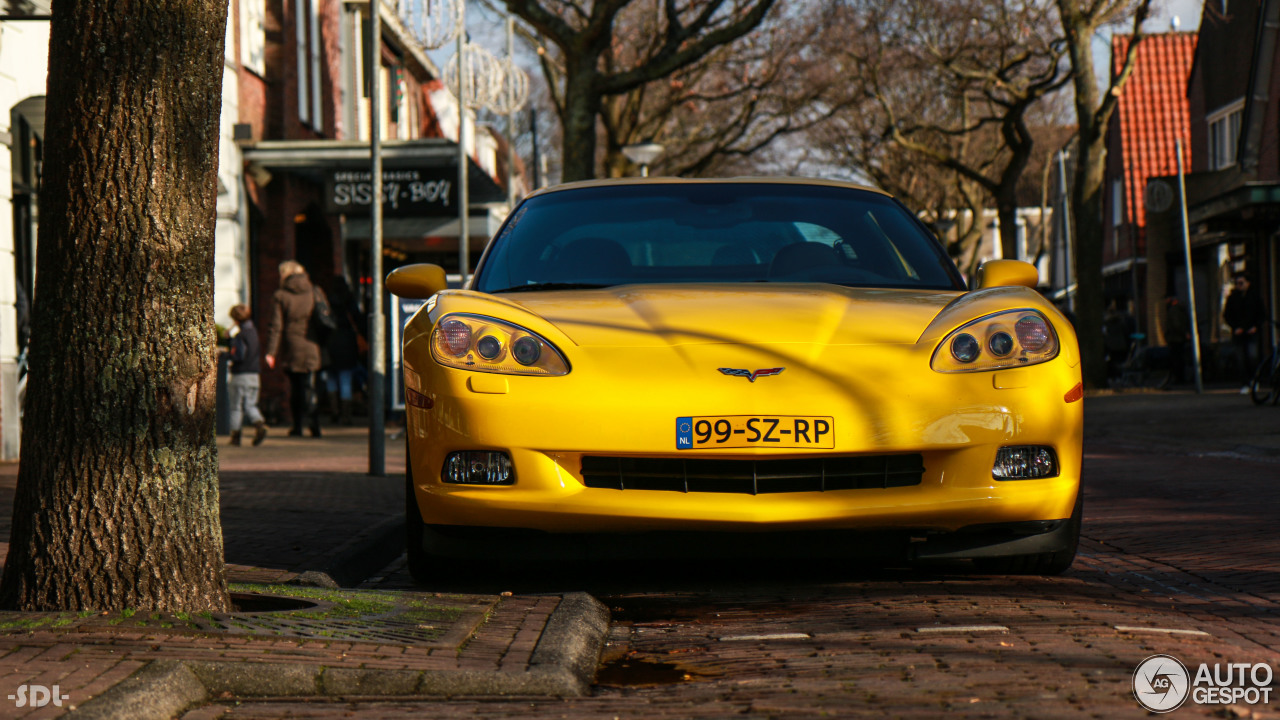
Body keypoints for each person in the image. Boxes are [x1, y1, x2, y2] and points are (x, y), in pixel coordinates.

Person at [264, 260, 325, 437]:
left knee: (296, 388)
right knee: (310, 386)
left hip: (292, 345)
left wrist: (271, 351)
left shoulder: (281, 295)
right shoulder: (315, 291)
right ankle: (315, 425)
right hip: (312, 344)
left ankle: (297, 426)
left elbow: (275, 326)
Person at [321, 276, 366, 425]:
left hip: (331, 342)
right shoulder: (349, 302)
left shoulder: (327, 302)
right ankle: (346, 415)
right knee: (345, 379)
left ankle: (334, 411)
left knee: (331, 378)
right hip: (347, 342)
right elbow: (358, 320)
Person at [227, 304, 268, 446]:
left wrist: (228, 343)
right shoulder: (254, 332)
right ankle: (259, 424)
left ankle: (235, 436)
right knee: (251, 405)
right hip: (254, 375)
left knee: (236, 406)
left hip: (240, 374)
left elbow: (238, 355)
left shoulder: (240, 335)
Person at [1223, 273, 1267, 393]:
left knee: (1252, 356)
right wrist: (1235, 327)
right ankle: (1245, 383)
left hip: (1251, 332)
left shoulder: (1255, 296)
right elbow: (1227, 315)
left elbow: (1262, 314)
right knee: (1240, 359)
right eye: (1237, 283)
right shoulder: (1232, 298)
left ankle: (1255, 380)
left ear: (1248, 283)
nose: (1239, 285)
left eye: (1241, 283)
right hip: (1238, 333)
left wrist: (1255, 327)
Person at [1162, 294, 1191, 384]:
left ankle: (1178, 378)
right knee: (1179, 358)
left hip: (1175, 338)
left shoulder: (1174, 310)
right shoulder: (1181, 309)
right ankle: (1179, 378)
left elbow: (1176, 325)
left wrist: (1183, 333)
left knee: (1176, 359)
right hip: (1179, 338)